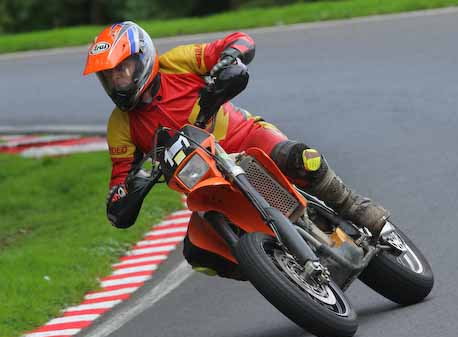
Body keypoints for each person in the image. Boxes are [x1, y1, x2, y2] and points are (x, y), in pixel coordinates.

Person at [83, 21, 389, 279]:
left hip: (247, 139)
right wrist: (123, 195)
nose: (116, 80)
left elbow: (239, 40)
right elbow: (120, 180)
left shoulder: (177, 62)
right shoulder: (120, 125)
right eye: (108, 76)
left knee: (303, 159)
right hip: (203, 183)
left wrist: (228, 59)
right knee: (200, 253)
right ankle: (277, 274)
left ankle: (354, 206)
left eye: (122, 69)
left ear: (142, 59)